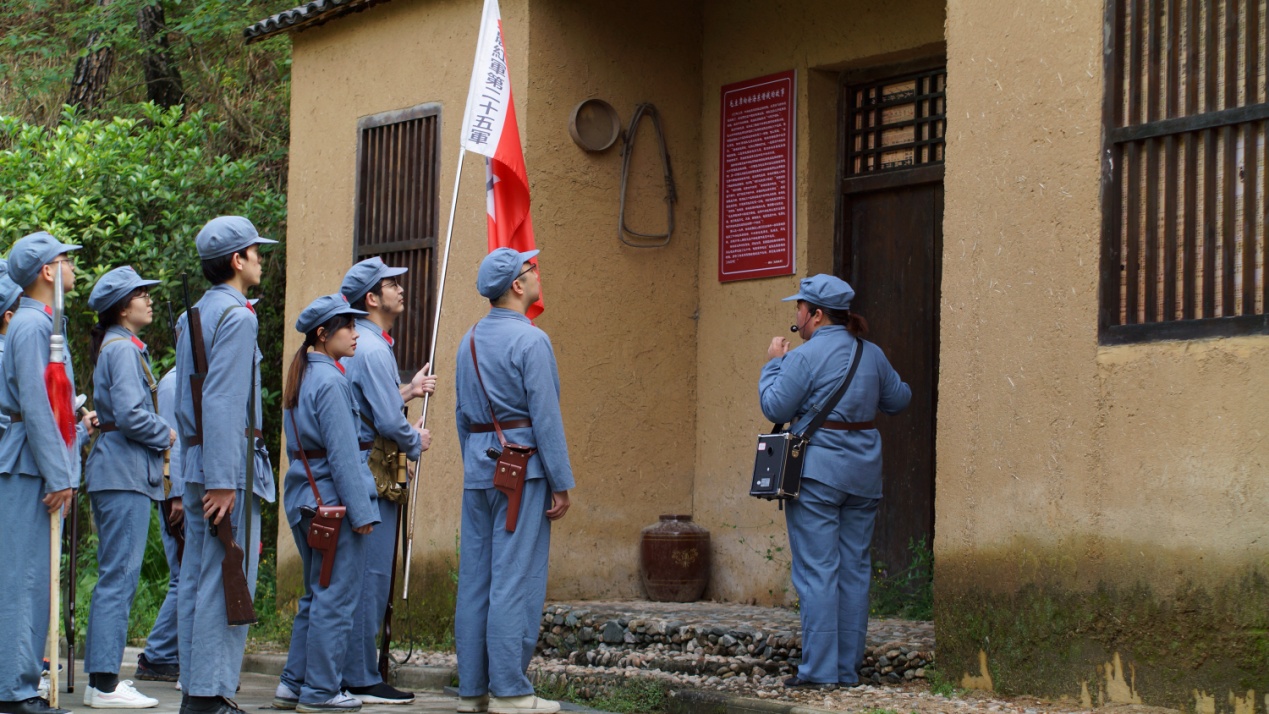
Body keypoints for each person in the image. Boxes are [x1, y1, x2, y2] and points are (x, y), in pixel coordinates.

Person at [758, 274, 911, 689]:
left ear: (817, 315)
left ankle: (821, 672)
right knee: (854, 571)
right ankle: (846, 670)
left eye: (800, 308)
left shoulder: (803, 357)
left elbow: (773, 403)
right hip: (863, 475)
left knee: (818, 571)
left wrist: (774, 361)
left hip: (817, 475)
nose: (797, 314)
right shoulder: (872, 354)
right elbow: (899, 400)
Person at [453, 248, 574, 714]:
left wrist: (475, 466)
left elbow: (462, 417)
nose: (536, 272)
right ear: (518, 286)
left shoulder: (468, 341)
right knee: (514, 577)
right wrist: (561, 480)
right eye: (531, 269)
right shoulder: (532, 340)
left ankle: (472, 691)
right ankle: (510, 690)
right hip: (525, 471)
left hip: (480, 471)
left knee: (476, 580)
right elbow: (546, 418)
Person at [173, 216, 277, 714]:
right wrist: (223, 479)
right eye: (256, 252)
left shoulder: (193, 314)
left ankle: (197, 691)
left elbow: (186, 402)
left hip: (198, 460)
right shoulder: (239, 317)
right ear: (238, 260)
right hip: (226, 465)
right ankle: (211, 696)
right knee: (226, 577)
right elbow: (220, 400)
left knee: (198, 578)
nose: (261, 260)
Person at [275, 294, 380, 713]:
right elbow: (342, 456)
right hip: (333, 506)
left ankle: (294, 682)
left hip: (304, 499)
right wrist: (363, 512)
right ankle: (320, 692)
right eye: (348, 327)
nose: (356, 334)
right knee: (335, 599)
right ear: (323, 334)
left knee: (315, 595)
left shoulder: (302, 375)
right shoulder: (332, 380)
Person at [336, 258, 433, 705]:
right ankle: (359, 675)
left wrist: (409, 391)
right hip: (371, 470)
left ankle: (356, 669)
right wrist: (415, 439)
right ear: (371, 298)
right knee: (372, 575)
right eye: (391, 284)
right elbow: (387, 422)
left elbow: (374, 404)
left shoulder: (370, 345)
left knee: (366, 574)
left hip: (363, 465)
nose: (400, 289)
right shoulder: (373, 349)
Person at [0, 232, 89, 714]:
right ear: (47, 272)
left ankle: (18, 683)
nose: (73, 268)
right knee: (22, 579)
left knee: (34, 579)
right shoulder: (32, 326)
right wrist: (60, 475)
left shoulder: (42, 320)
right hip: (28, 465)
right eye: (65, 261)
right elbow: (37, 407)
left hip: (36, 464)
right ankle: (13, 691)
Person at [82, 267, 175, 709]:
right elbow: (131, 414)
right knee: (118, 577)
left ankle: (102, 680)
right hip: (121, 473)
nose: (149, 300)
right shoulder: (121, 350)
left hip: (121, 471)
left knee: (118, 576)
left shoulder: (121, 347)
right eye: (142, 294)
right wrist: (166, 433)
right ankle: (103, 684)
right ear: (123, 308)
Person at [135, 356, 183, 683]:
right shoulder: (174, 382)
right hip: (174, 495)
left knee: (188, 574)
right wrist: (175, 493)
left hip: (182, 493)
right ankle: (157, 655)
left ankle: (165, 652)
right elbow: (170, 442)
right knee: (185, 575)